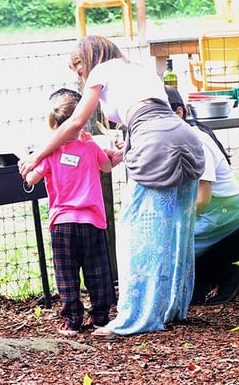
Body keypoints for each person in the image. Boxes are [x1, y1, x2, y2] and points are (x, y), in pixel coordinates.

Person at [18, 35, 205, 338]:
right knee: (177, 230)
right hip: (182, 136)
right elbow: (146, 114)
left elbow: (77, 122)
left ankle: (135, 319)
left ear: (91, 56)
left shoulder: (100, 71)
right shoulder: (138, 69)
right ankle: (172, 308)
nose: (79, 74)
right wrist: (125, 147)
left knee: (137, 231)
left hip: (154, 141)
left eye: (78, 65)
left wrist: (38, 154)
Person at [24, 88, 115, 335]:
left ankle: (72, 320)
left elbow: (31, 179)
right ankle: (100, 317)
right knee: (97, 270)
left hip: (62, 223)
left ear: (53, 123)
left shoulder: (49, 151)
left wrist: (25, 162)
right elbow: (106, 167)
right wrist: (111, 154)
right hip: (92, 221)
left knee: (66, 273)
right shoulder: (91, 147)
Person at [164, 86, 239, 305]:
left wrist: (173, 222)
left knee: (173, 245)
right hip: (216, 217)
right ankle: (209, 281)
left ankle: (228, 276)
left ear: (179, 113)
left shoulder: (196, 141)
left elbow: (203, 200)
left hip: (230, 222)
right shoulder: (177, 137)